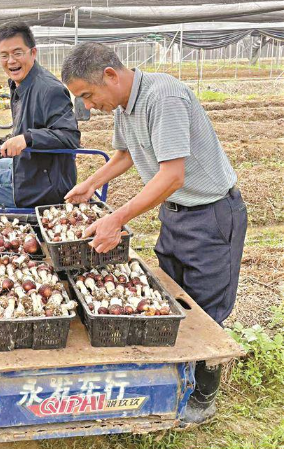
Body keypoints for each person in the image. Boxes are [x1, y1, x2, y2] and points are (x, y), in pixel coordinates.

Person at [61, 42, 247, 425]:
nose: (89, 106)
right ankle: (174, 376)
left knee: (207, 309)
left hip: (211, 214)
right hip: (176, 213)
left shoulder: (164, 96)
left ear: (110, 76)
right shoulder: (125, 105)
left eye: (88, 95)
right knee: (173, 296)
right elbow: (126, 154)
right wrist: (90, 184)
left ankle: (203, 395)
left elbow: (172, 174)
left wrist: (117, 219)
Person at [0, 21, 80, 208]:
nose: (11, 61)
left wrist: (27, 139)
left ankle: (12, 216)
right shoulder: (21, 83)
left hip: (45, 186)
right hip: (36, 168)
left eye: (17, 53)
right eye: (4, 55)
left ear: (33, 53)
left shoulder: (49, 89)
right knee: (1, 165)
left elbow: (70, 136)